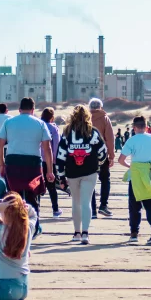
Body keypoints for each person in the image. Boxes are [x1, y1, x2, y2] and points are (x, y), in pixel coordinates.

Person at [0, 97, 55, 238]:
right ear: (33, 110)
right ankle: (34, 227)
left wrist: (1, 163)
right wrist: (50, 171)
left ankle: (12, 227)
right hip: (33, 163)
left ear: (19, 109)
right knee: (32, 196)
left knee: (13, 196)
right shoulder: (40, 124)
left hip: (13, 161)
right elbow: (47, 150)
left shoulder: (9, 122)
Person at [56, 105, 109, 245]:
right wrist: (98, 163)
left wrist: (61, 177)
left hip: (72, 173)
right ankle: (85, 233)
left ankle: (76, 233)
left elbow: (60, 156)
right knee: (86, 202)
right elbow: (103, 152)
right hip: (90, 172)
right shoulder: (93, 132)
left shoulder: (67, 132)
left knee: (76, 202)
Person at [118, 115, 151, 245]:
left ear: (134, 128)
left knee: (135, 206)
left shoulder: (132, 140)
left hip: (136, 176)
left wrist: (131, 166)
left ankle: (134, 234)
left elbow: (121, 160)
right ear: (146, 127)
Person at [89, 98, 115, 218]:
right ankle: (103, 205)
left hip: (87, 154)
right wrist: (111, 156)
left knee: (90, 181)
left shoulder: (85, 118)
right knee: (105, 179)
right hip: (102, 154)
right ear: (101, 107)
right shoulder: (105, 118)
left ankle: (92, 210)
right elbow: (109, 138)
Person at [40, 108, 62, 217]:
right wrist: (56, 161)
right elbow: (56, 145)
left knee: (37, 186)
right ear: (52, 117)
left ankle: (36, 209)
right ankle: (55, 210)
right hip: (50, 161)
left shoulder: (38, 125)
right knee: (52, 187)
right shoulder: (54, 128)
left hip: (37, 161)